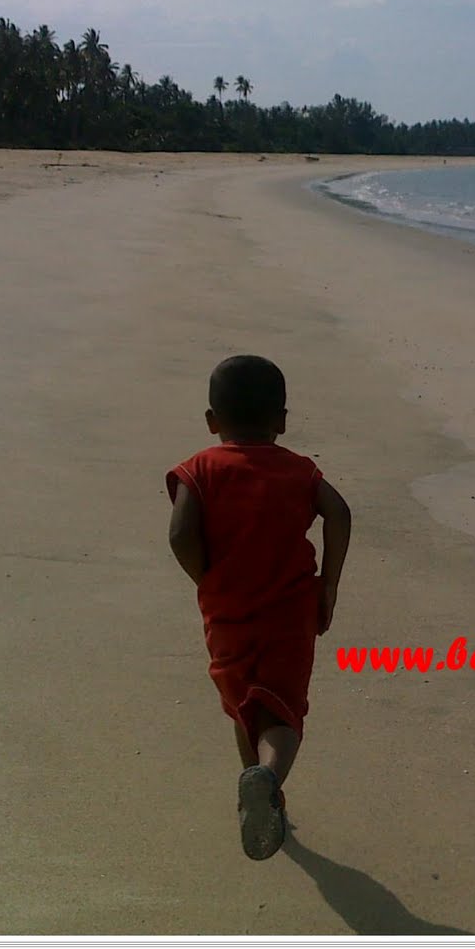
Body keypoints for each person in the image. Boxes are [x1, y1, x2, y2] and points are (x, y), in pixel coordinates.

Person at [166, 355, 352, 860]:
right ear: (282, 420)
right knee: (283, 712)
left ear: (212, 420)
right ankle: (268, 778)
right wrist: (329, 585)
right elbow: (339, 512)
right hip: (291, 614)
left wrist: (207, 578)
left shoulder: (200, 468)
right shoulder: (298, 470)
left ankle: (259, 789)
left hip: (226, 614)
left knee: (243, 703)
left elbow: (180, 534)